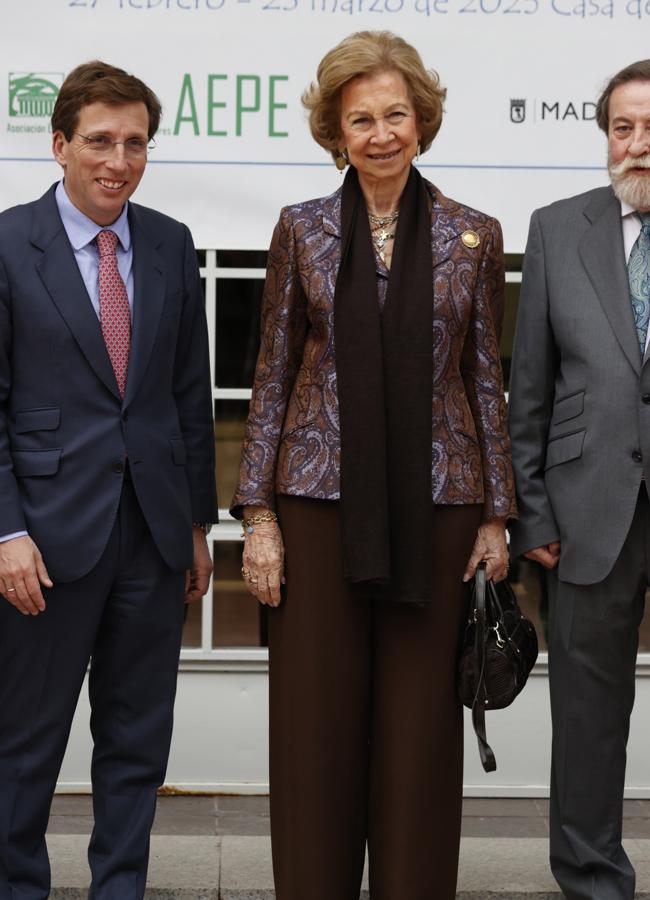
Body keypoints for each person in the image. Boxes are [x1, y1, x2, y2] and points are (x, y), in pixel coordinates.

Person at [231, 30, 515, 900]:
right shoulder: (303, 231)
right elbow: (273, 374)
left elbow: (486, 384)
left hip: (438, 511)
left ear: (421, 120)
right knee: (317, 729)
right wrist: (259, 515)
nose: (382, 132)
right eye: (362, 118)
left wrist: (499, 516)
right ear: (336, 131)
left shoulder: (473, 235)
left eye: (397, 114)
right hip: (316, 508)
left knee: (419, 734)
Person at [0, 61, 218, 900]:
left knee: (136, 743)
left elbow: (185, 397)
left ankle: (118, 888)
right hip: (44, 545)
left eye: (134, 143)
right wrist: (7, 532)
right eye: (98, 141)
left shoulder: (168, 243)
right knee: (25, 744)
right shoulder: (11, 244)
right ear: (60, 145)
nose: (116, 160)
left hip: (154, 538)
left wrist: (197, 523)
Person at [508, 59, 650, 900]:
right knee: (589, 719)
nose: (638, 146)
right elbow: (529, 385)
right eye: (623, 129)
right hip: (587, 509)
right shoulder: (559, 228)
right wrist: (532, 512)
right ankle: (593, 880)